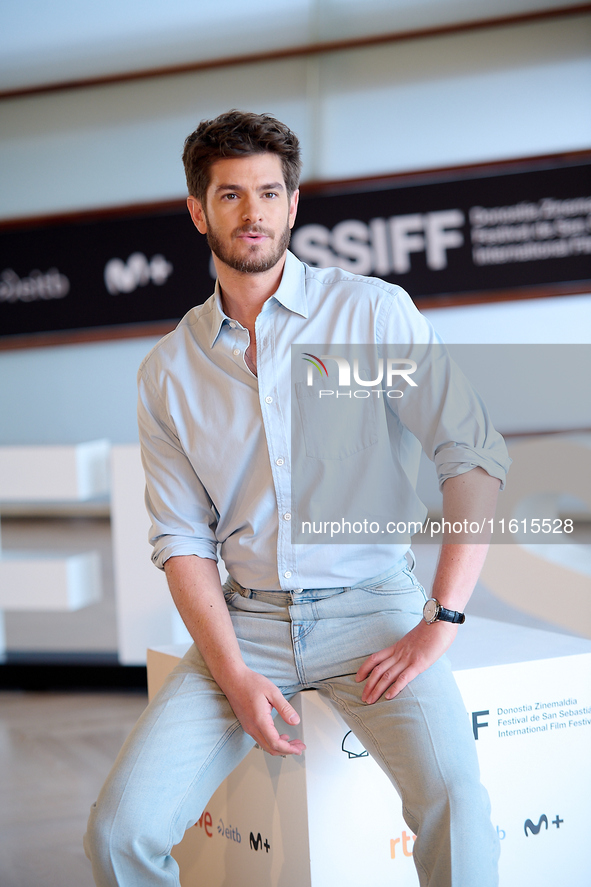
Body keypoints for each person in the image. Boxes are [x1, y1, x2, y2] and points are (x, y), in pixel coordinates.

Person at [85, 109, 510, 886]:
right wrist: (234, 672)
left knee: (456, 802)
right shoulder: (167, 371)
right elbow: (181, 540)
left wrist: (439, 619)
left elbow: (472, 455)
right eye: (231, 195)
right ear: (197, 210)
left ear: (293, 202)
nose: (254, 212)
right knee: (118, 832)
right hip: (246, 625)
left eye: (270, 192)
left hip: (371, 607)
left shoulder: (371, 313)